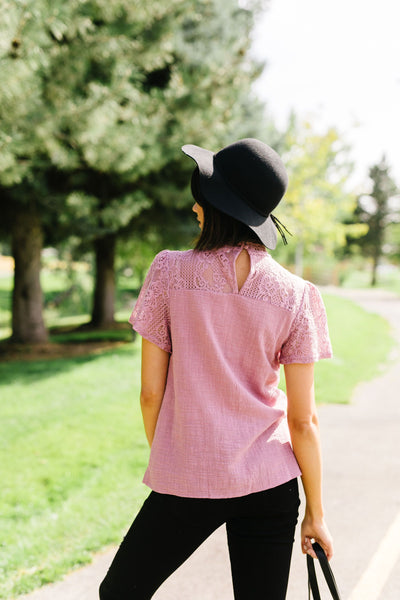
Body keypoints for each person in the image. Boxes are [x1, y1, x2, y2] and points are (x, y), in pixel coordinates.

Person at [99, 138, 333, 600]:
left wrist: (175, 458)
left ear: (216, 205)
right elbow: (303, 420)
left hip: (190, 473)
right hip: (271, 480)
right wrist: (316, 512)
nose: (193, 206)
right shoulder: (298, 294)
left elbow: (150, 394)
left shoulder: (168, 272)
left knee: (120, 592)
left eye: (201, 197)